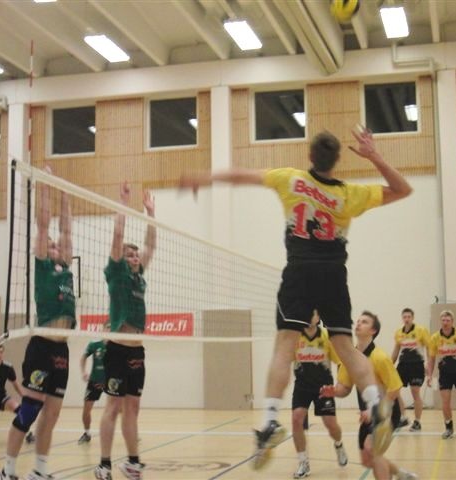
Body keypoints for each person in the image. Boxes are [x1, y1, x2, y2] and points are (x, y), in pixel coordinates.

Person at [179, 127, 413, 467]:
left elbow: (242, 175)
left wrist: (205, 177)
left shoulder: (290, 179)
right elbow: (403, 189)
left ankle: (270, 421)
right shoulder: (350, 194)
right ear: (337, 160)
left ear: (310, 156)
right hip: (333, 274)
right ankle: (377, 408)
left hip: (300, 271)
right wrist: (373, 155)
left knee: (284, 346)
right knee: (347, 349)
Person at [0, 166, 76, 480]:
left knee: (52, 413)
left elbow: (67, 231)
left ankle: (40, 471)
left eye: (57, 246)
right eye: (51, 245)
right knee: (30, 409)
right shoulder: (43, 267)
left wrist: (66, 193)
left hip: (62, 350)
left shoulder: (66, 268)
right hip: (42, 347)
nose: (56, 246)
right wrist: (45, 184)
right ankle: (7, 470)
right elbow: (43, 225)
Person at [94, 183, 156, 480]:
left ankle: (132, 462)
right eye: (129, 254)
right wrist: (123, 203)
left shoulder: (138, 276)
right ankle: (104, 464)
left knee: (133, 407)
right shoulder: (116, 273)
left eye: (135, 255)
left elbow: (151, 246)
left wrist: (151, 214)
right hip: (117, 349)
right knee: (113, 406)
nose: (134, 257)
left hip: (136, 352)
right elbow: (118, 237)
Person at [323, 311, 418, 480]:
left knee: (372, 451)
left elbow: (395, 388)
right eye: (358, 321)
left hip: (387, 412)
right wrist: (335, 391)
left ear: (373, 330)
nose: (359, 323)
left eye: (365, 322)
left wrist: (376, 411)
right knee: (367, 461)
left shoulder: (380, 357)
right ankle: (401, 474)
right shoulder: (350, 358)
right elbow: (345, 388)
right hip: (367, 416)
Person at [291, 312, 348, 479]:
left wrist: (341, 383)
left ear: (319, 317)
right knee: (296, 419)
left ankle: (338, 444)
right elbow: (283, 359)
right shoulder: (294, 336)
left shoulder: (327, 336)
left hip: (323, 387)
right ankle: (303, 462)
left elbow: (340, 362)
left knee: (331, 424)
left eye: (314, 313)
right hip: (302, 386)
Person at [426, 310, 456, 439]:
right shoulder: (435, 338)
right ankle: (448, 428)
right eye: (443, 320)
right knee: (445, 402)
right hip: (445, 373)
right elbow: (431, 358)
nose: (445, 323)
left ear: (452, 321)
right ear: (440, 321)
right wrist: (429, 375)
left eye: (448, 320)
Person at [390, 307, 430, 432]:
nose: (407, 319)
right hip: (402, 365)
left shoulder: (421, 330)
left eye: (409, 317)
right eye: (404, 317)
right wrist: (390, 365)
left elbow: (429, 348)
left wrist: (429, 364)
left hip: (417, 365)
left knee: (415, 391)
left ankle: (417, 422)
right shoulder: (399, 333)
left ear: (413, 318)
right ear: (402, 318)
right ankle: (403, 417)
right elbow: (396, 350)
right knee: (394, 391)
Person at [78, 339, 107, 444]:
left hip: (111, 381)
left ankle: (131, 432)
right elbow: (83, 357)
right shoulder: (94, 345)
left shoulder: (117, 345)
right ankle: (87, 433)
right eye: (106, 329)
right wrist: (83, 372)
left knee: (123, 408)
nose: (109, 331)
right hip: (95, 381)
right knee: (86, 410)